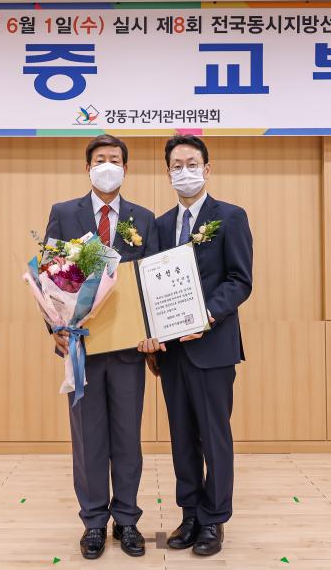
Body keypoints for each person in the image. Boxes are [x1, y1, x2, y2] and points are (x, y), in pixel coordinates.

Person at [44, 134, 158, 559]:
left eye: (114, 159)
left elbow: (152, 281)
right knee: (88, 437)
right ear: (87, 167)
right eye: (100, 159)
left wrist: (154, 332)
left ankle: (126, 519)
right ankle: (93, 521)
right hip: (82, 347)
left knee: (127, 436)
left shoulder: (144, 218)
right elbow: (49, 276)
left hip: (129, 348)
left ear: (125, 168)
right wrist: (54, 326)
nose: (107, 165)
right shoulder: (63, 213)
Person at [139, 134, 253, 557]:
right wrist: (151, 336)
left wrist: (206, 316)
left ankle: (214, 518)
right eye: (176, 165)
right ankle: (189, 514)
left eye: (191, 164)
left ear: (207, 169)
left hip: (214, 346)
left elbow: (240, 280)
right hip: (172, 351)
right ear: (167, 172)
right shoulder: (159, 225)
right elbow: (150, 286)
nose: (184, 171)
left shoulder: (231, 217)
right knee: (182, 436)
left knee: (214, 435)